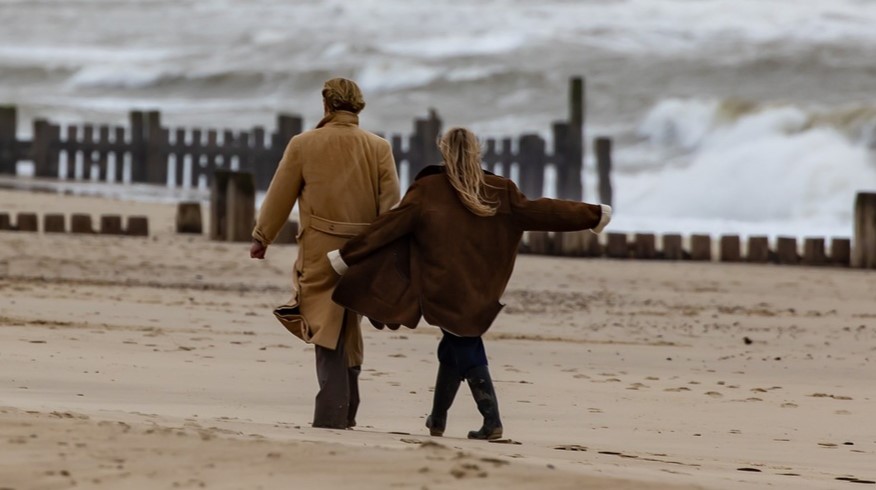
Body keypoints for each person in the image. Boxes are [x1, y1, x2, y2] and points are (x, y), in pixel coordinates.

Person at [326, 127, 611, 440]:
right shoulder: (501, 190)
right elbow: (546, 211)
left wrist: (346, 255)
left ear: (444, 150)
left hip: (440, 287)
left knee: (464, 344)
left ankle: (492, 421)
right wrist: (592, 214)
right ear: (478, 151)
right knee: (455, 343)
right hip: (480, 288)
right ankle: (437, 419)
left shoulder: (428, 189)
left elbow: (388, 226)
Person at [250, 78, 400, 429]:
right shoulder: (379, 148)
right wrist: (384, 253)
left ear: (326, 105)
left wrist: (262, 237)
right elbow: (390, 208)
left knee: (324, 324)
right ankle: (347, 409)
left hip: (320, 249)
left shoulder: (303, 144)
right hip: (364, 251)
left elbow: (280, 194)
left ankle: (331, 412)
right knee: (348, 323)